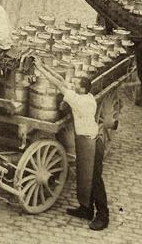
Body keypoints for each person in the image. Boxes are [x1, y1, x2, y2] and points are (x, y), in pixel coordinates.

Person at [40, 63, 112, 230]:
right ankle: (86, 209)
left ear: (81, 89)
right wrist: (43, 65)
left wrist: (41, 70)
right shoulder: (88, 97)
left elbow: (58, 84)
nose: (73, 84)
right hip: (86, 140)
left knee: (94, 179)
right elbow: (62, 81)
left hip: (90, 143)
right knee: (83, 177)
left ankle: (103, 215)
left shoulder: (78, 100)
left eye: (76, 84)